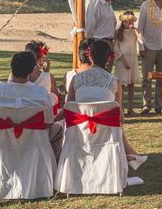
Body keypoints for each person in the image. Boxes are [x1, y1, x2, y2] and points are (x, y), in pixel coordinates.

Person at [60, 39, 147, 169]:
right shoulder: (114, 81)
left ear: (90, 56)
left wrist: (51, 121)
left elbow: (68, 107)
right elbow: (120, 117)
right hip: (107, 135)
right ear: (108, 59)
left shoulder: (76, 79)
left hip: (79, 133)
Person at [0, 51, 64, 162]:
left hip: (3, 143)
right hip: (34, 143)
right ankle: (52, 165)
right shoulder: (41, 93)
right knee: (58, 131)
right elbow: (48, 122)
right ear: (31, 70)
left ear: (12, 68)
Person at [114, 12, 143, 115]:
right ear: (123, 22)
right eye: (126, 22)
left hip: (132, 59)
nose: (128, 24)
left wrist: (136, 30)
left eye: (130, 22)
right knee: (120, 85)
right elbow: (116, 48)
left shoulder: (134, 32)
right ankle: (120, 108)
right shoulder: (118, 33)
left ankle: (131, 108)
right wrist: (123, 60)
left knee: (131, 84)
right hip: (122, 60)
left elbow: (141, 40)